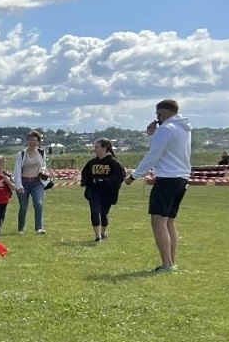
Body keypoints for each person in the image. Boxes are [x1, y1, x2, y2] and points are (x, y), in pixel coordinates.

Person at [124, 98, 192, 273]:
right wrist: (153, 135)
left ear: (163, 114)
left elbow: (153, 155)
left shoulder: (166, 129)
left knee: (158, 221)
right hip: (181, 178)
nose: (157, 118)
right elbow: (166, 149)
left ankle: (167, 264)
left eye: (158, 115)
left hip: (167, 178)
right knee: (169, 222)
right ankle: (171, 261)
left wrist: (133, 176)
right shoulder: (183, 128)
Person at [80, 138, 127, 242]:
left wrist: (105, 180)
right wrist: (86, 182)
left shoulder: (113, 163)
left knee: (103, 213)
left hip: (108, 193)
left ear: (105, 148)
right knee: (94, 211)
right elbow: (85, 174)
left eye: (97, 147)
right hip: (94, 191)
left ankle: (103, 232)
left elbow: (120, 176)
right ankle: (97, 236)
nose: (95, 149)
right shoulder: (92, 162)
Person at [12, 130, 48, 234]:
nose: (33, 142)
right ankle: (21, 228)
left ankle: (38, 228)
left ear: (38, 142)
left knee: (38, 203)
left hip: (37, 182)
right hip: (24, 182)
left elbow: (43, 164)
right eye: (31, 140)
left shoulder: (42, 152)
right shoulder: (21, 154)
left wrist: (43, 171)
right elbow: (17, 171)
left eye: (35, 140)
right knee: (23, 206)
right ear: (27, 141)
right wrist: (19, 186)